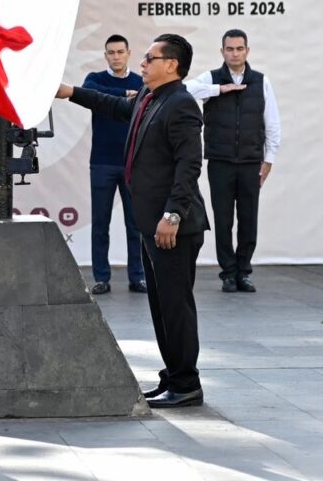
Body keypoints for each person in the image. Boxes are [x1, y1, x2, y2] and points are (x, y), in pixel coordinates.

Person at [56, 33, 209, 409]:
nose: (142, 63)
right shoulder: (147, 97)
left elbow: (189, 166)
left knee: (176, 306)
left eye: (149, 58)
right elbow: (111, 105)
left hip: (173, 227)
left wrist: (172, 214)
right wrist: (69, 91)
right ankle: (173, 376)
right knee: (160, 306)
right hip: (152, 223)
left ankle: (187, 384)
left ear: (171, 64)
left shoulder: (182, 105)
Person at [189, 29, 281, 294]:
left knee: (248, 219)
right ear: (222, 52)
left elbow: (272, 123)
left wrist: (269, 159)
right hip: (220, 161)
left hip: (252, 161)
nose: (235, 53)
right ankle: (228, 273)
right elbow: (186, 89)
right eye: (230, 49)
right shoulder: (211, 78)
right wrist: (220, 89)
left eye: (239, 48)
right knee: (223, 220)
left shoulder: (261, 81)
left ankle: (244, 272)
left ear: (247, 51)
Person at [82, 35, 146, 295]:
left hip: (133, 163)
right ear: (105, 55)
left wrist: (132, 93)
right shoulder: (95, 80)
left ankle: (137, 276)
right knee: (100, 223)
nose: (116, 56)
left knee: (136, 224)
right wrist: (123, 94)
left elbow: (146, 97)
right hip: (102, 163)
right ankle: (101, 277)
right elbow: (89, 94)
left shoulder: (141, 82)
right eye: (111, 53)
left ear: (129, 53)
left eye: (120, 52)